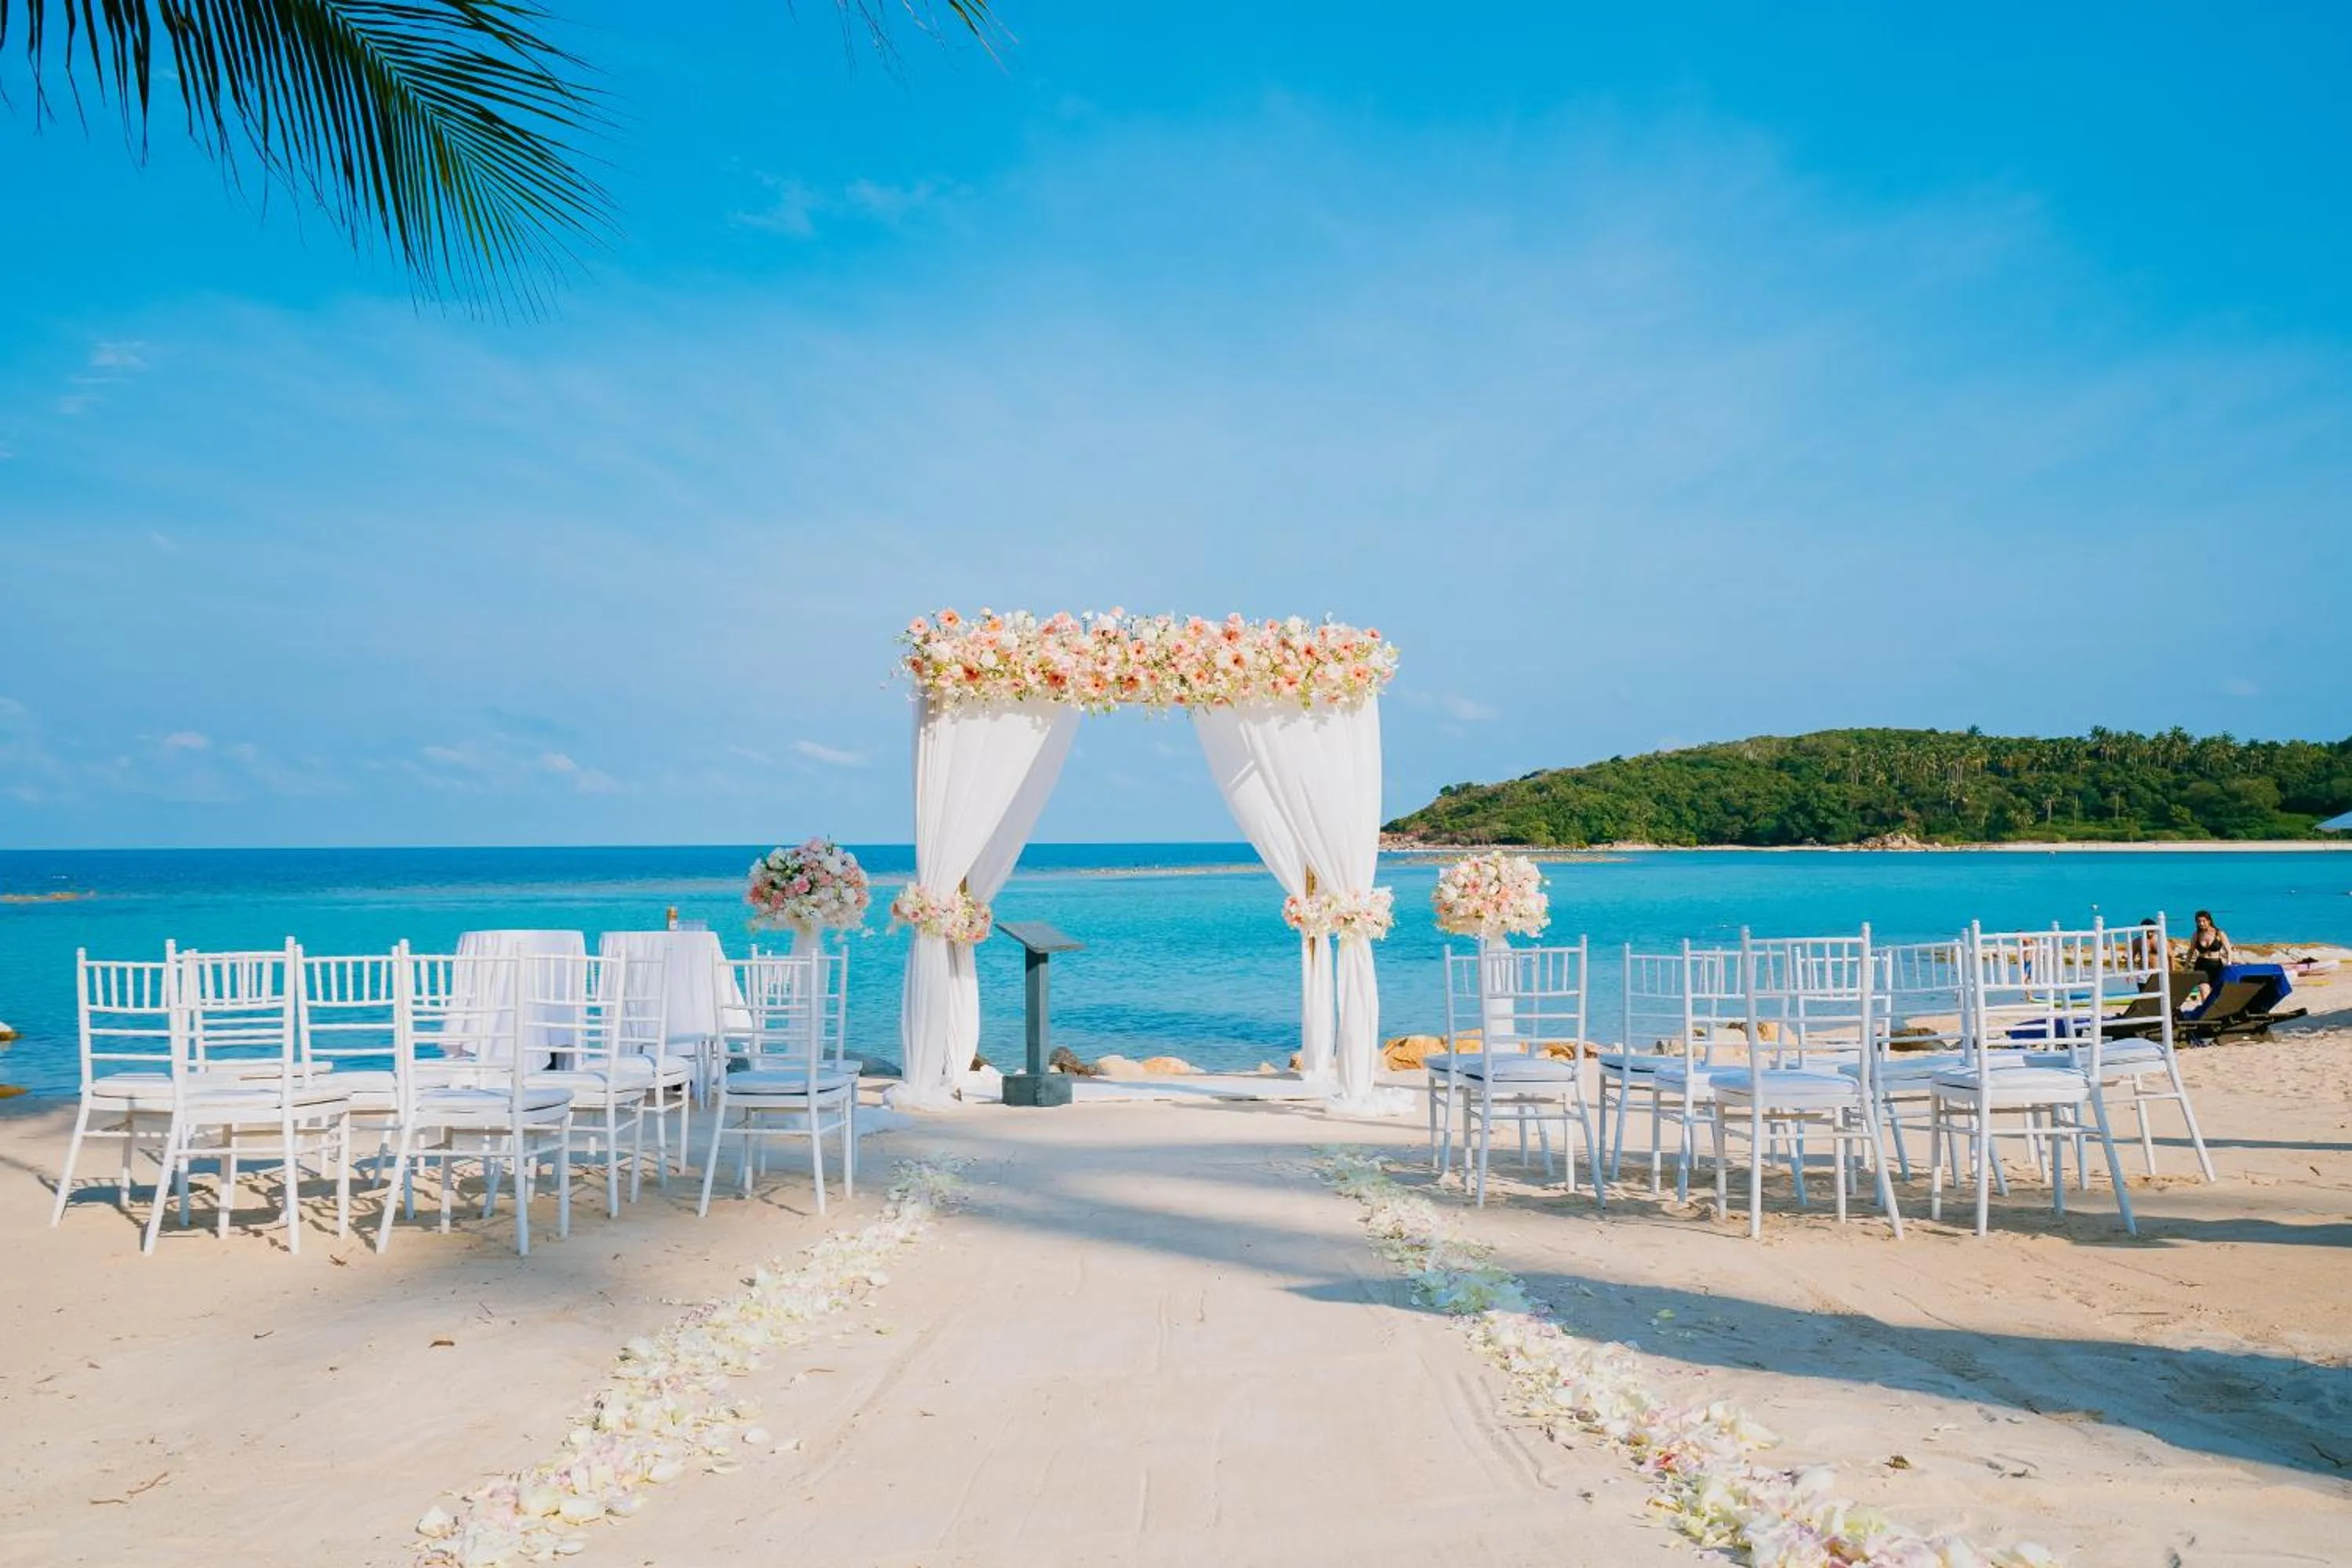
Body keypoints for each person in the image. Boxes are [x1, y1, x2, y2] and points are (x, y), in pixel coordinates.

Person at [2187, 909, 2234, 992]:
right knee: (2204, 992)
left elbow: (2229, 951)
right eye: (2199, 921)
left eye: (2204, 921)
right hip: (2201, 966)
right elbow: (2191, 951)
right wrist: (2186, 966)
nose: (2201, 923)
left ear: (2209, 921)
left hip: (2216, 966)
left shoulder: (2219, 933)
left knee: (2216, 993)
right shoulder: (2196, 934)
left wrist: (2229, 964)